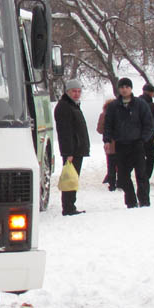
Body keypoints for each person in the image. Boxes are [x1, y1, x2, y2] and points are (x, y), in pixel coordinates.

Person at [103, 77, 154, 208]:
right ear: (119, 89)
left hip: (137, 144)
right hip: (121, 144)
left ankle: (144, 201)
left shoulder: (140, 104)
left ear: (131, 89)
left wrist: (143, 139)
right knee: (123, 176)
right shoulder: (114, 106)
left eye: (127, 87)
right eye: (122, 87)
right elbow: (108, 124)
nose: (124, 90)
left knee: (141, 174)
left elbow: (149, 124)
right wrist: (107, 140)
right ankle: (131, 201)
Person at [54, 79, 90, 215]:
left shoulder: (74, 105)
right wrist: (68, 152)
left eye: (79, 91)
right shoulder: (64, 106)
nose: (76, 94)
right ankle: (68, 207)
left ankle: (70, 205)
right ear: (67, 92)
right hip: (72, 150)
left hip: (77, 148)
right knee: (70, 178)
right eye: (74, 91)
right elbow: (65, 132)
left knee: (73, 177)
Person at [96, 98, 117, 191]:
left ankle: (112, 184)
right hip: (120, 143)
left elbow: (99, 130)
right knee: (120, 163)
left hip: (108, 144)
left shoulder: (103, 115)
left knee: (111, 164)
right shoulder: (119, 114)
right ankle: (120, 182)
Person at [140, 82, 154, 179]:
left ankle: (122, 178)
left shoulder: (136, 102)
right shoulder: (152, 106)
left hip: (136, 135)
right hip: (148, 136)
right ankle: (145, 177)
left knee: (136, 158)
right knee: (150, 158)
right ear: (151, 93)